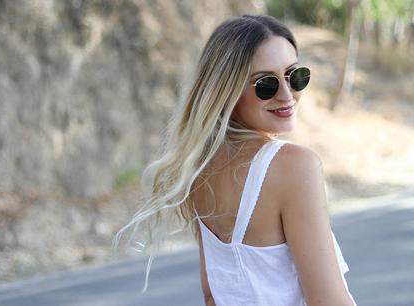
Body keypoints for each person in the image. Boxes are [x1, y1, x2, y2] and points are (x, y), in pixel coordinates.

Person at [113, 14, 357, 306]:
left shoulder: (200, 168)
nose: (286, 93)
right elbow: (327, 299)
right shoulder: (293, 165)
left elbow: (211, 293)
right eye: (265, 84)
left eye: (295, 75)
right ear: (228, 91)